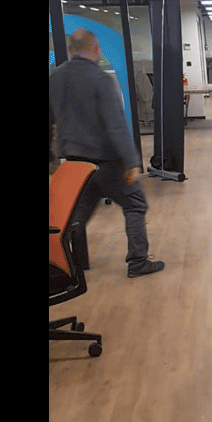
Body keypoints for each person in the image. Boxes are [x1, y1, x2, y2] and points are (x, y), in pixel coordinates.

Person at [49, 29, 164, 278]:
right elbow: (115, 125)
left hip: (75, 164)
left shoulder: (54, 78)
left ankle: (58, 265)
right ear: (95, 49)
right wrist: (132, 161)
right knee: (134, 205)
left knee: (75, 216)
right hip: (106, 162)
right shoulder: (100, 79)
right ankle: (138, 261)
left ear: (71, 50)